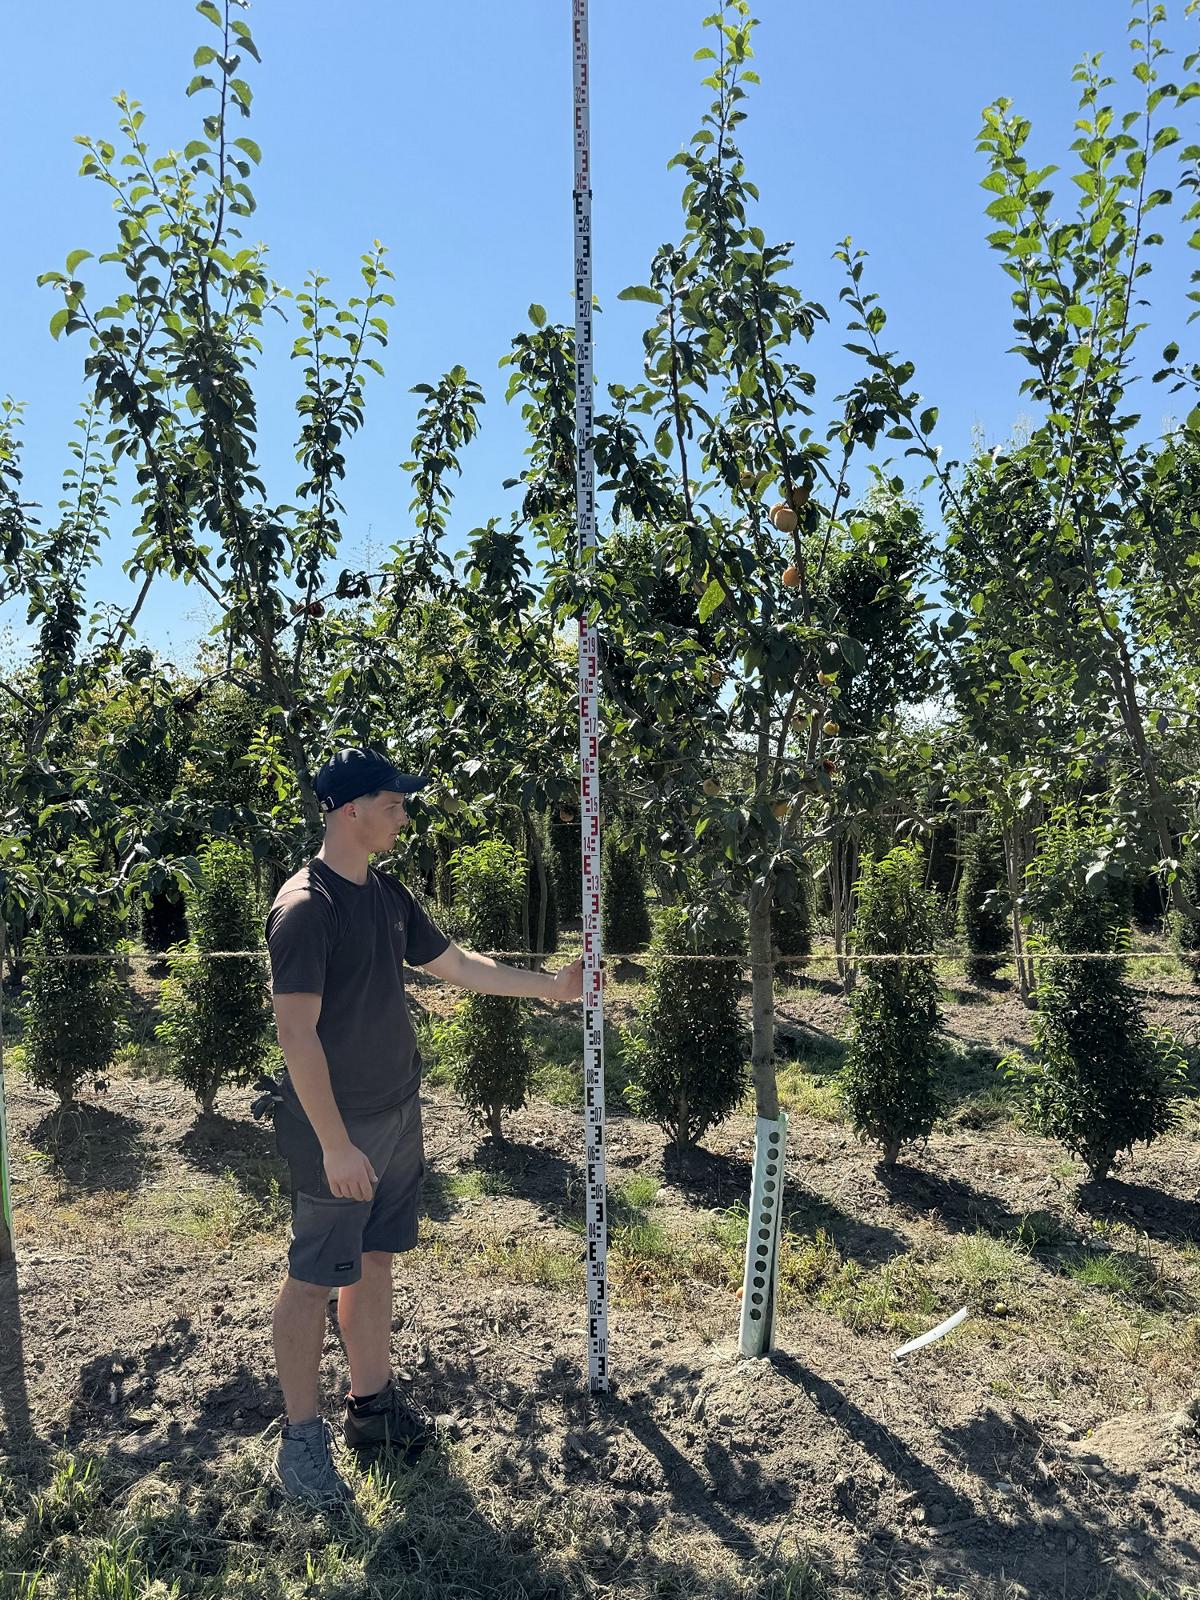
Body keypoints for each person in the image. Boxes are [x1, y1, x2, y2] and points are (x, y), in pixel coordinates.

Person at [262, 746, 584, 1506]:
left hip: (396, 1110)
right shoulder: (307, 909)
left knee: (374, 1260)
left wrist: (549, 988)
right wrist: (336, 1144)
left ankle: (372, 1409)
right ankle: (300, 1442)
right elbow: (296, 1037)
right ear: (350, 811)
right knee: (312, 1280)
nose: (405, 816)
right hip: (332, 1130)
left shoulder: (385, 892)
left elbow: (458, 965)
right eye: (393, 804)